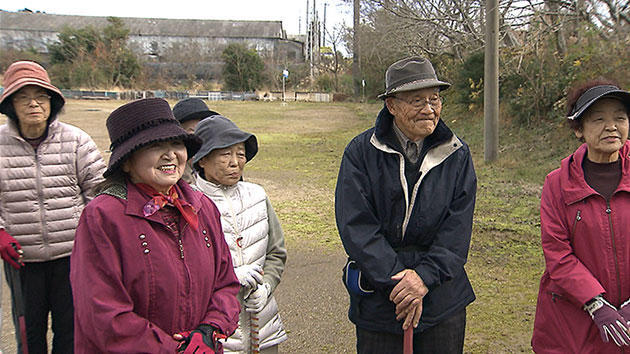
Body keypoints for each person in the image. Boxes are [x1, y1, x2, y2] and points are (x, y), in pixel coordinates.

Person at [70, 98, 240, 353]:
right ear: (127, 161)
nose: (170, 154)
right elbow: (102, 313)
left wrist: (208, 331)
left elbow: (225, 283)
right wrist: (173, 349)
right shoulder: (103, 218)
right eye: (155, 145)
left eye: (176, 143)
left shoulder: (202, 207)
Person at [335, 57, 477, 353]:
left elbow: (457, 228)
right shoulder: (360, 153)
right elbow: (356, 226)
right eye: (416, 100)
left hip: (441, 297)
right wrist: (400, 282)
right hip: (381, 295)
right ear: (391, 105)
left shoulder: (457, 154)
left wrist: (424, 277)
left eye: (434, 99)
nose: (429, 109)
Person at [0, 60, 106, 353]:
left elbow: (99, 193)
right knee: (29, 331)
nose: (33, 103)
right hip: (22, 260)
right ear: (10, 103)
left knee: (70, 330)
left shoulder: (76, 141)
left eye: (41, 96)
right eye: (23, 97)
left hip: (72, 257)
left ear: (52, 101)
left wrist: (92, 238)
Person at [531, 80, 630, 353]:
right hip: (571, 321)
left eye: (619, 117)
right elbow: (557, 253)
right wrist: (595, 303)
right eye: (598, 119)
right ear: (578, 129)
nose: (611, 126)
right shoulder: (557, 184)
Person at [191, 115, 288, 353]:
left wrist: (266, 287)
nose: (235, 162)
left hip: (263, 329)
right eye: (225, 154)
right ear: (202, 159)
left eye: (241, 154)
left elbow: (276, 252)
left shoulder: (257, 196)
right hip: (215, 335)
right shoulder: (188, 204)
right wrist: (230, 278)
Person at [173, 98, 220, 184]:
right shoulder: (173, 177)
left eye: (205, 133)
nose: (200, 140)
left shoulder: (219, 166)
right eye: (193, 134)